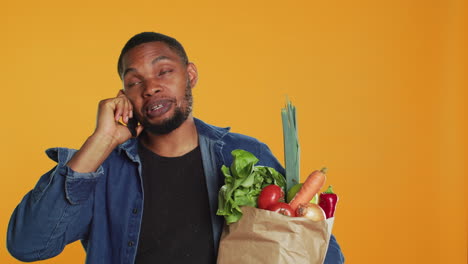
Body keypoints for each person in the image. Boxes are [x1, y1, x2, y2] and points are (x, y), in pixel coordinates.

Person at [7, 32, 344, 263]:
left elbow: (320, 252)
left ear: (190, 75)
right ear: (123, 96)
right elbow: (29, 245)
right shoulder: (103, 166)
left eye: (164, 71)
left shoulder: (243, 157)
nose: (150, 87)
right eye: (134, 81)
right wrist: (101, 141)